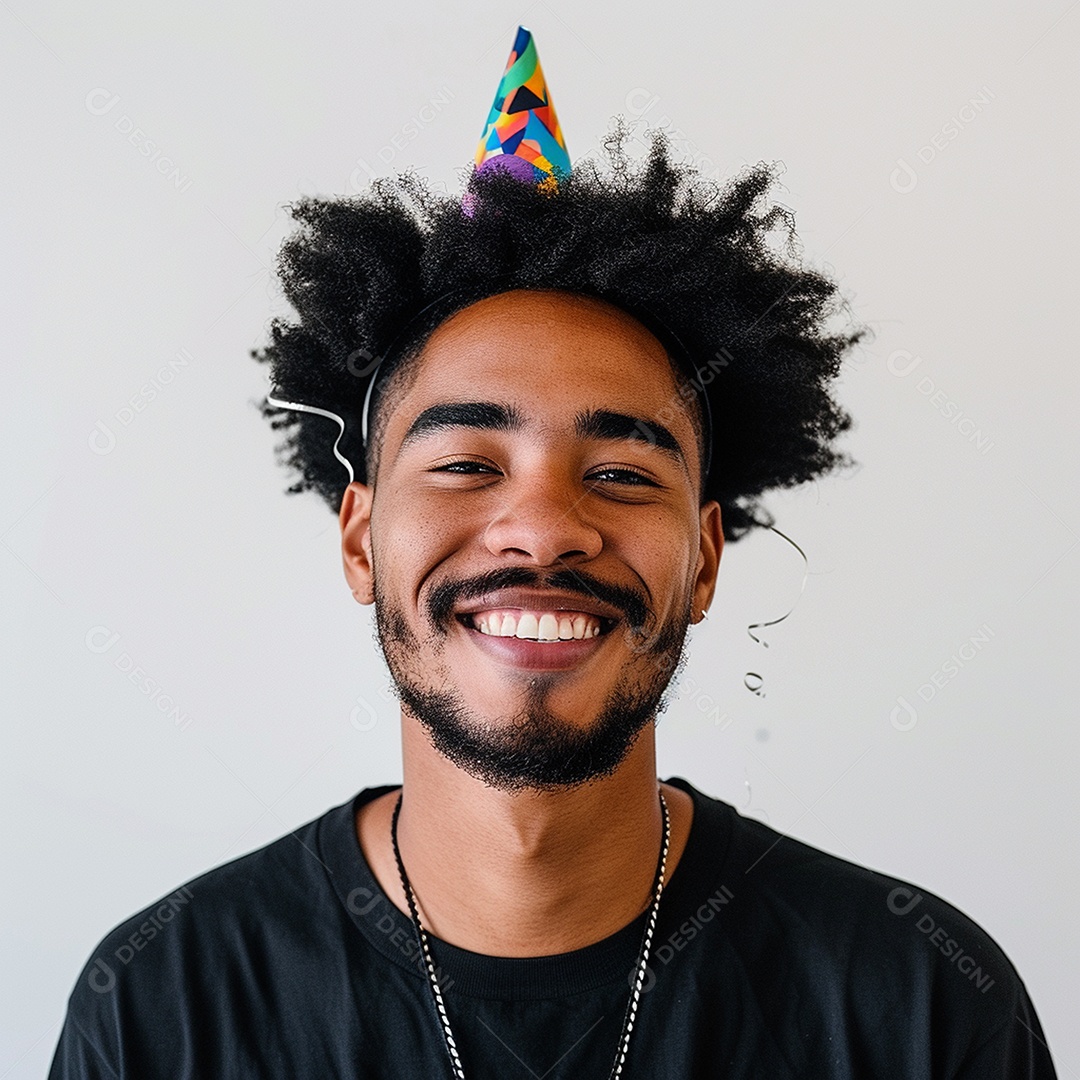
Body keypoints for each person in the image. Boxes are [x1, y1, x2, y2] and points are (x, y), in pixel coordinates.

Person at [49, 25, 1057, 1079]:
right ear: (359, 538)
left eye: (622, 474)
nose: (542, 527)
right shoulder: (164, 1011)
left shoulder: (922, 1008)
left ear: (704, 561)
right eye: (467, 465)